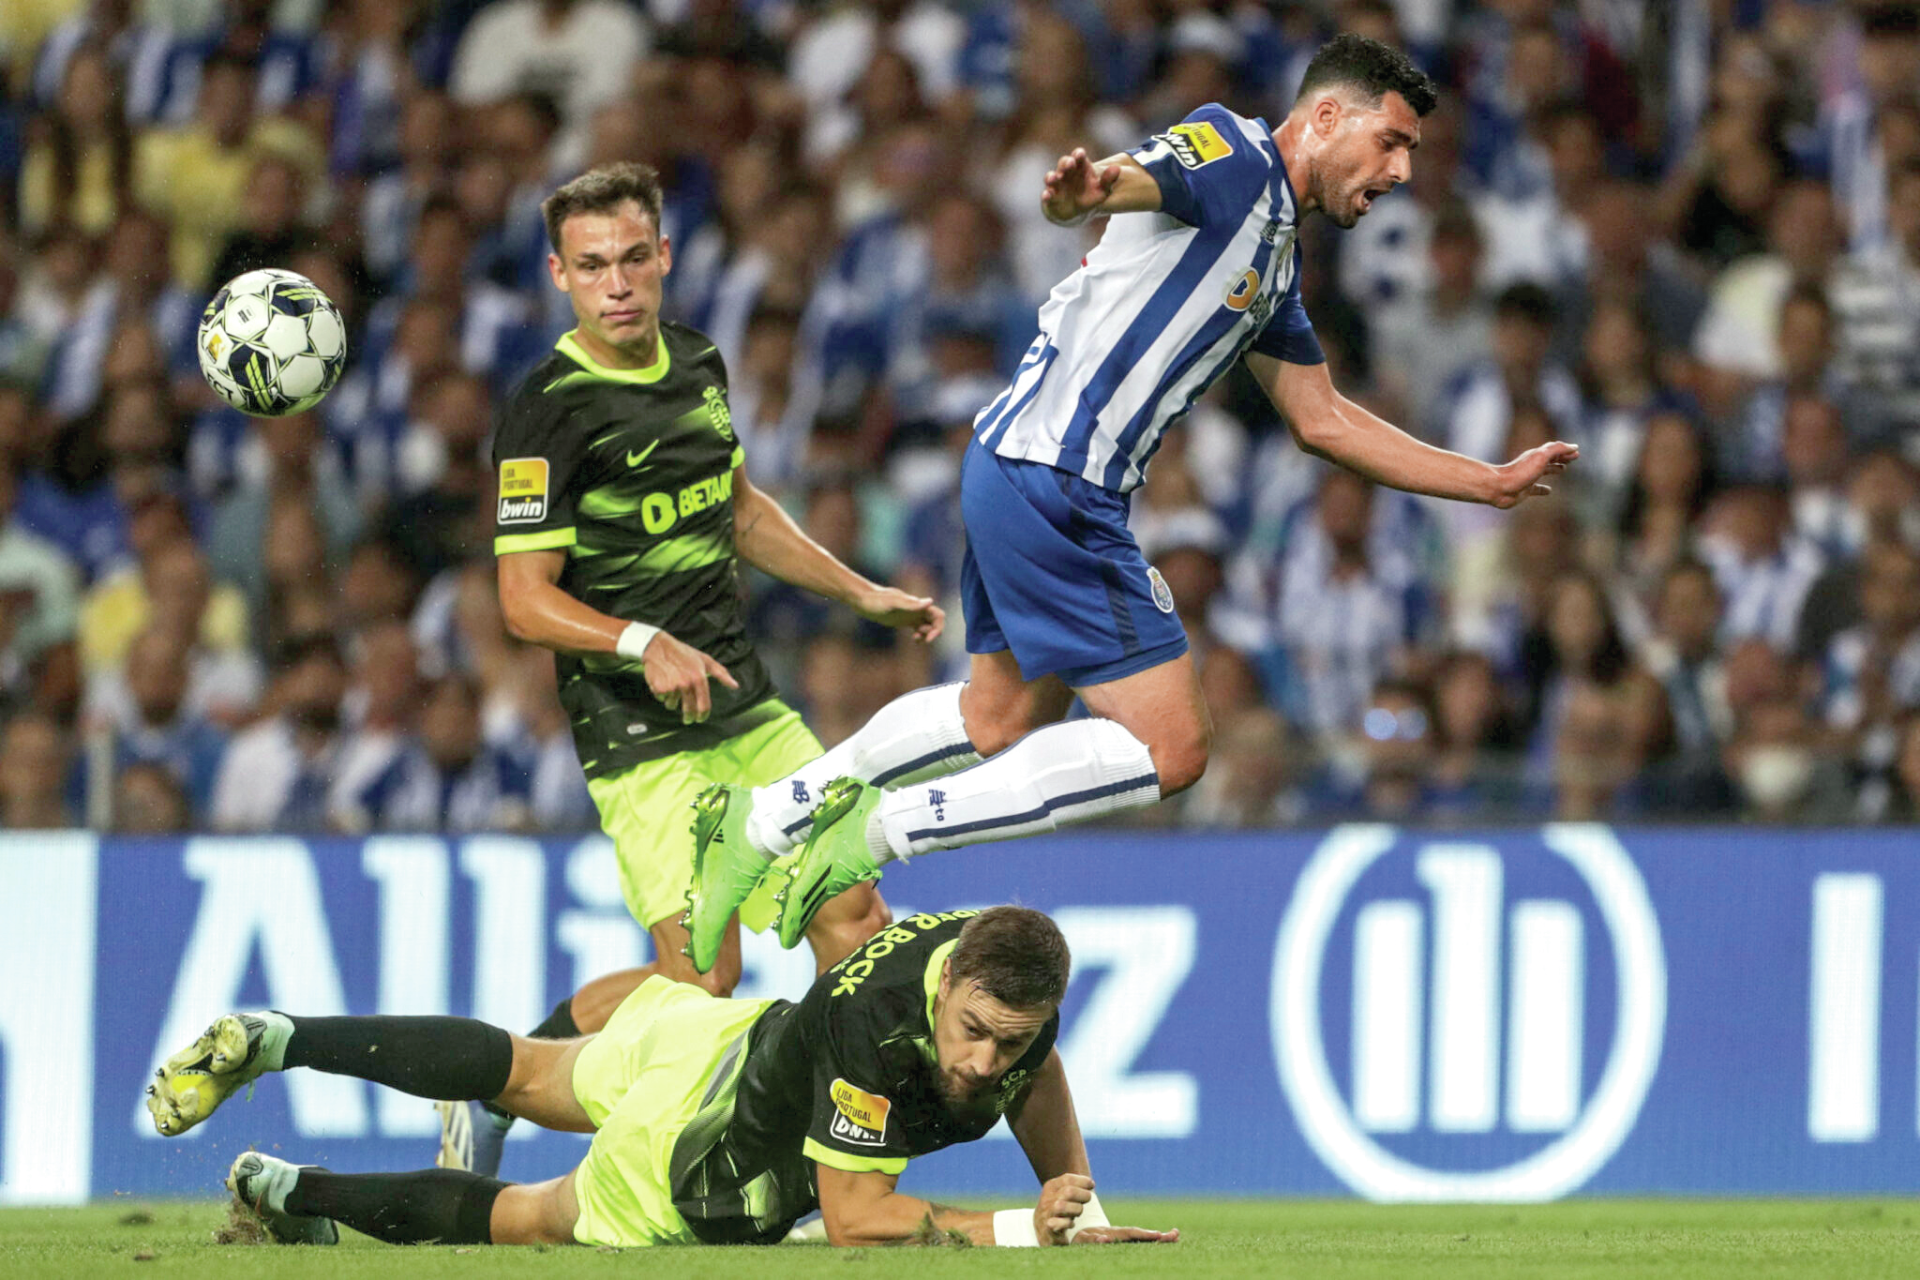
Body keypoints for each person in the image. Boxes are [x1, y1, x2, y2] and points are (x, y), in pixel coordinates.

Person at [683, 33, 1578, 964]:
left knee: (996, 717)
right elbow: (1142, 176)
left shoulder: (1273, 259)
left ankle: (759, 825)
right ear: (1324, 118)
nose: (1399, 169)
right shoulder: (1233, 153)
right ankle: (868, 836)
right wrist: (1088, 193)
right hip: (1059, 482)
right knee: (1174, 749)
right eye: (1391, 141)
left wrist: (1486, 480)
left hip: (1015, 465)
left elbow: (1324, 422)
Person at [469, 162, 943, 1172]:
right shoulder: (548, 410)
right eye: (592, 265)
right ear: (559, 275)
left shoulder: (697, 363)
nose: (618, 282)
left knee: (854, 911)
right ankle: (511, 1074)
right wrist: (640, 640)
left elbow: (739, 512)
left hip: (746, 703)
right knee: (700, 985)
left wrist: (859, 591)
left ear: (665, 257)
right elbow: (523, 599)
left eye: (634, 257)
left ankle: (849, 1169)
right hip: (636, 734)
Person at [144, 905, 1175, 1250]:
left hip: (723, 1038)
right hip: (705, 1157)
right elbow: (859, 1218)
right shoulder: (882, 1026)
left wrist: (1077, 1194)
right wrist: (1016, 1225)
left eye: (1010, 1040)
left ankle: (279, 1035)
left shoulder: (997, 965)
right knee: (529, 1212)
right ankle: (289, 1192)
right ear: (946, 985)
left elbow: (1036, 1072)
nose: (984, 1061)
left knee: (525, 1068)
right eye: (974, 1035)